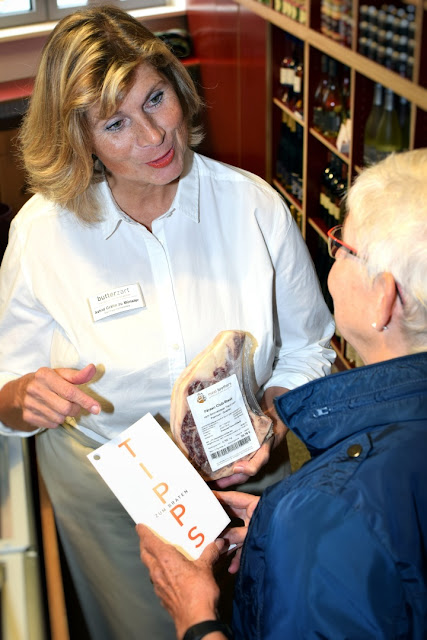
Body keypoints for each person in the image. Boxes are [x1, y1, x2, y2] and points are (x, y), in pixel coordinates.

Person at [0, 5, 335, 639]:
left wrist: (274, 414)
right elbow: (6, 389)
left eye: (157, 98)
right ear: (80, 139)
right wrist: (25, 395)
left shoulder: (254, 208)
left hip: (250, 472)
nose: (154, 136)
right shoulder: (43, 235)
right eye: (117, 123)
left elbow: (309, 348)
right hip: (114, 496)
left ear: (178, 88)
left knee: (270, 616)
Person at [138, 148, 427, 640]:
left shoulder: (327, 507)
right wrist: (285, 530)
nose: (333, 251)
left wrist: (193, 613)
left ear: (383, 298)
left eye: (344, 243)